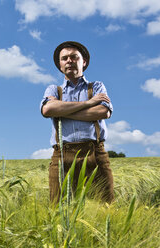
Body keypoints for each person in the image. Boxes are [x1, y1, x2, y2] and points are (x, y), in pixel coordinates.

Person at [40, 41, 114, 203]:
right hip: (62, 154)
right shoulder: (53, 89)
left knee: (106, 208)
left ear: (84, 62)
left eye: (74, 57)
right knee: (58, 210)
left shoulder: (96, 87)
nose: (69, 61)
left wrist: (64, 111)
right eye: (64, 58)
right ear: (60, 65)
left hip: (95, 152)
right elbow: (47, 110)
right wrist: (88, 104)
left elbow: (103, 112)